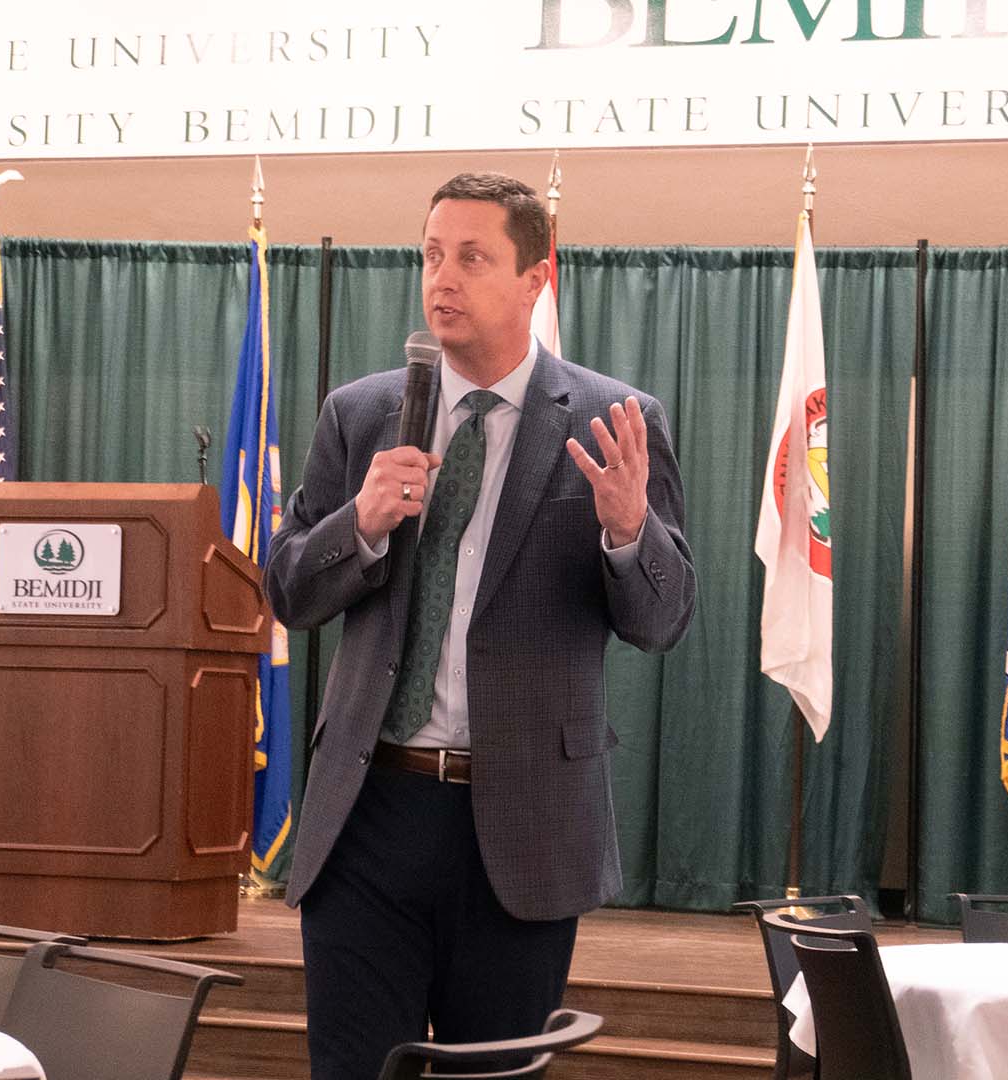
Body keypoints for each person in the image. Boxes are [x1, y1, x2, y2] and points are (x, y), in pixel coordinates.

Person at [264, 171, 696, 1078]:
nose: (441, 279)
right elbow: (289, 592)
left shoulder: (615, 421)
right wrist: (362, 523)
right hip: (368, 815)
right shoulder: (362, 414)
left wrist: (628, 529)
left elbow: (662, 621)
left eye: (471, 257)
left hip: (523, 824)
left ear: (536, 278)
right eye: (430, 255)